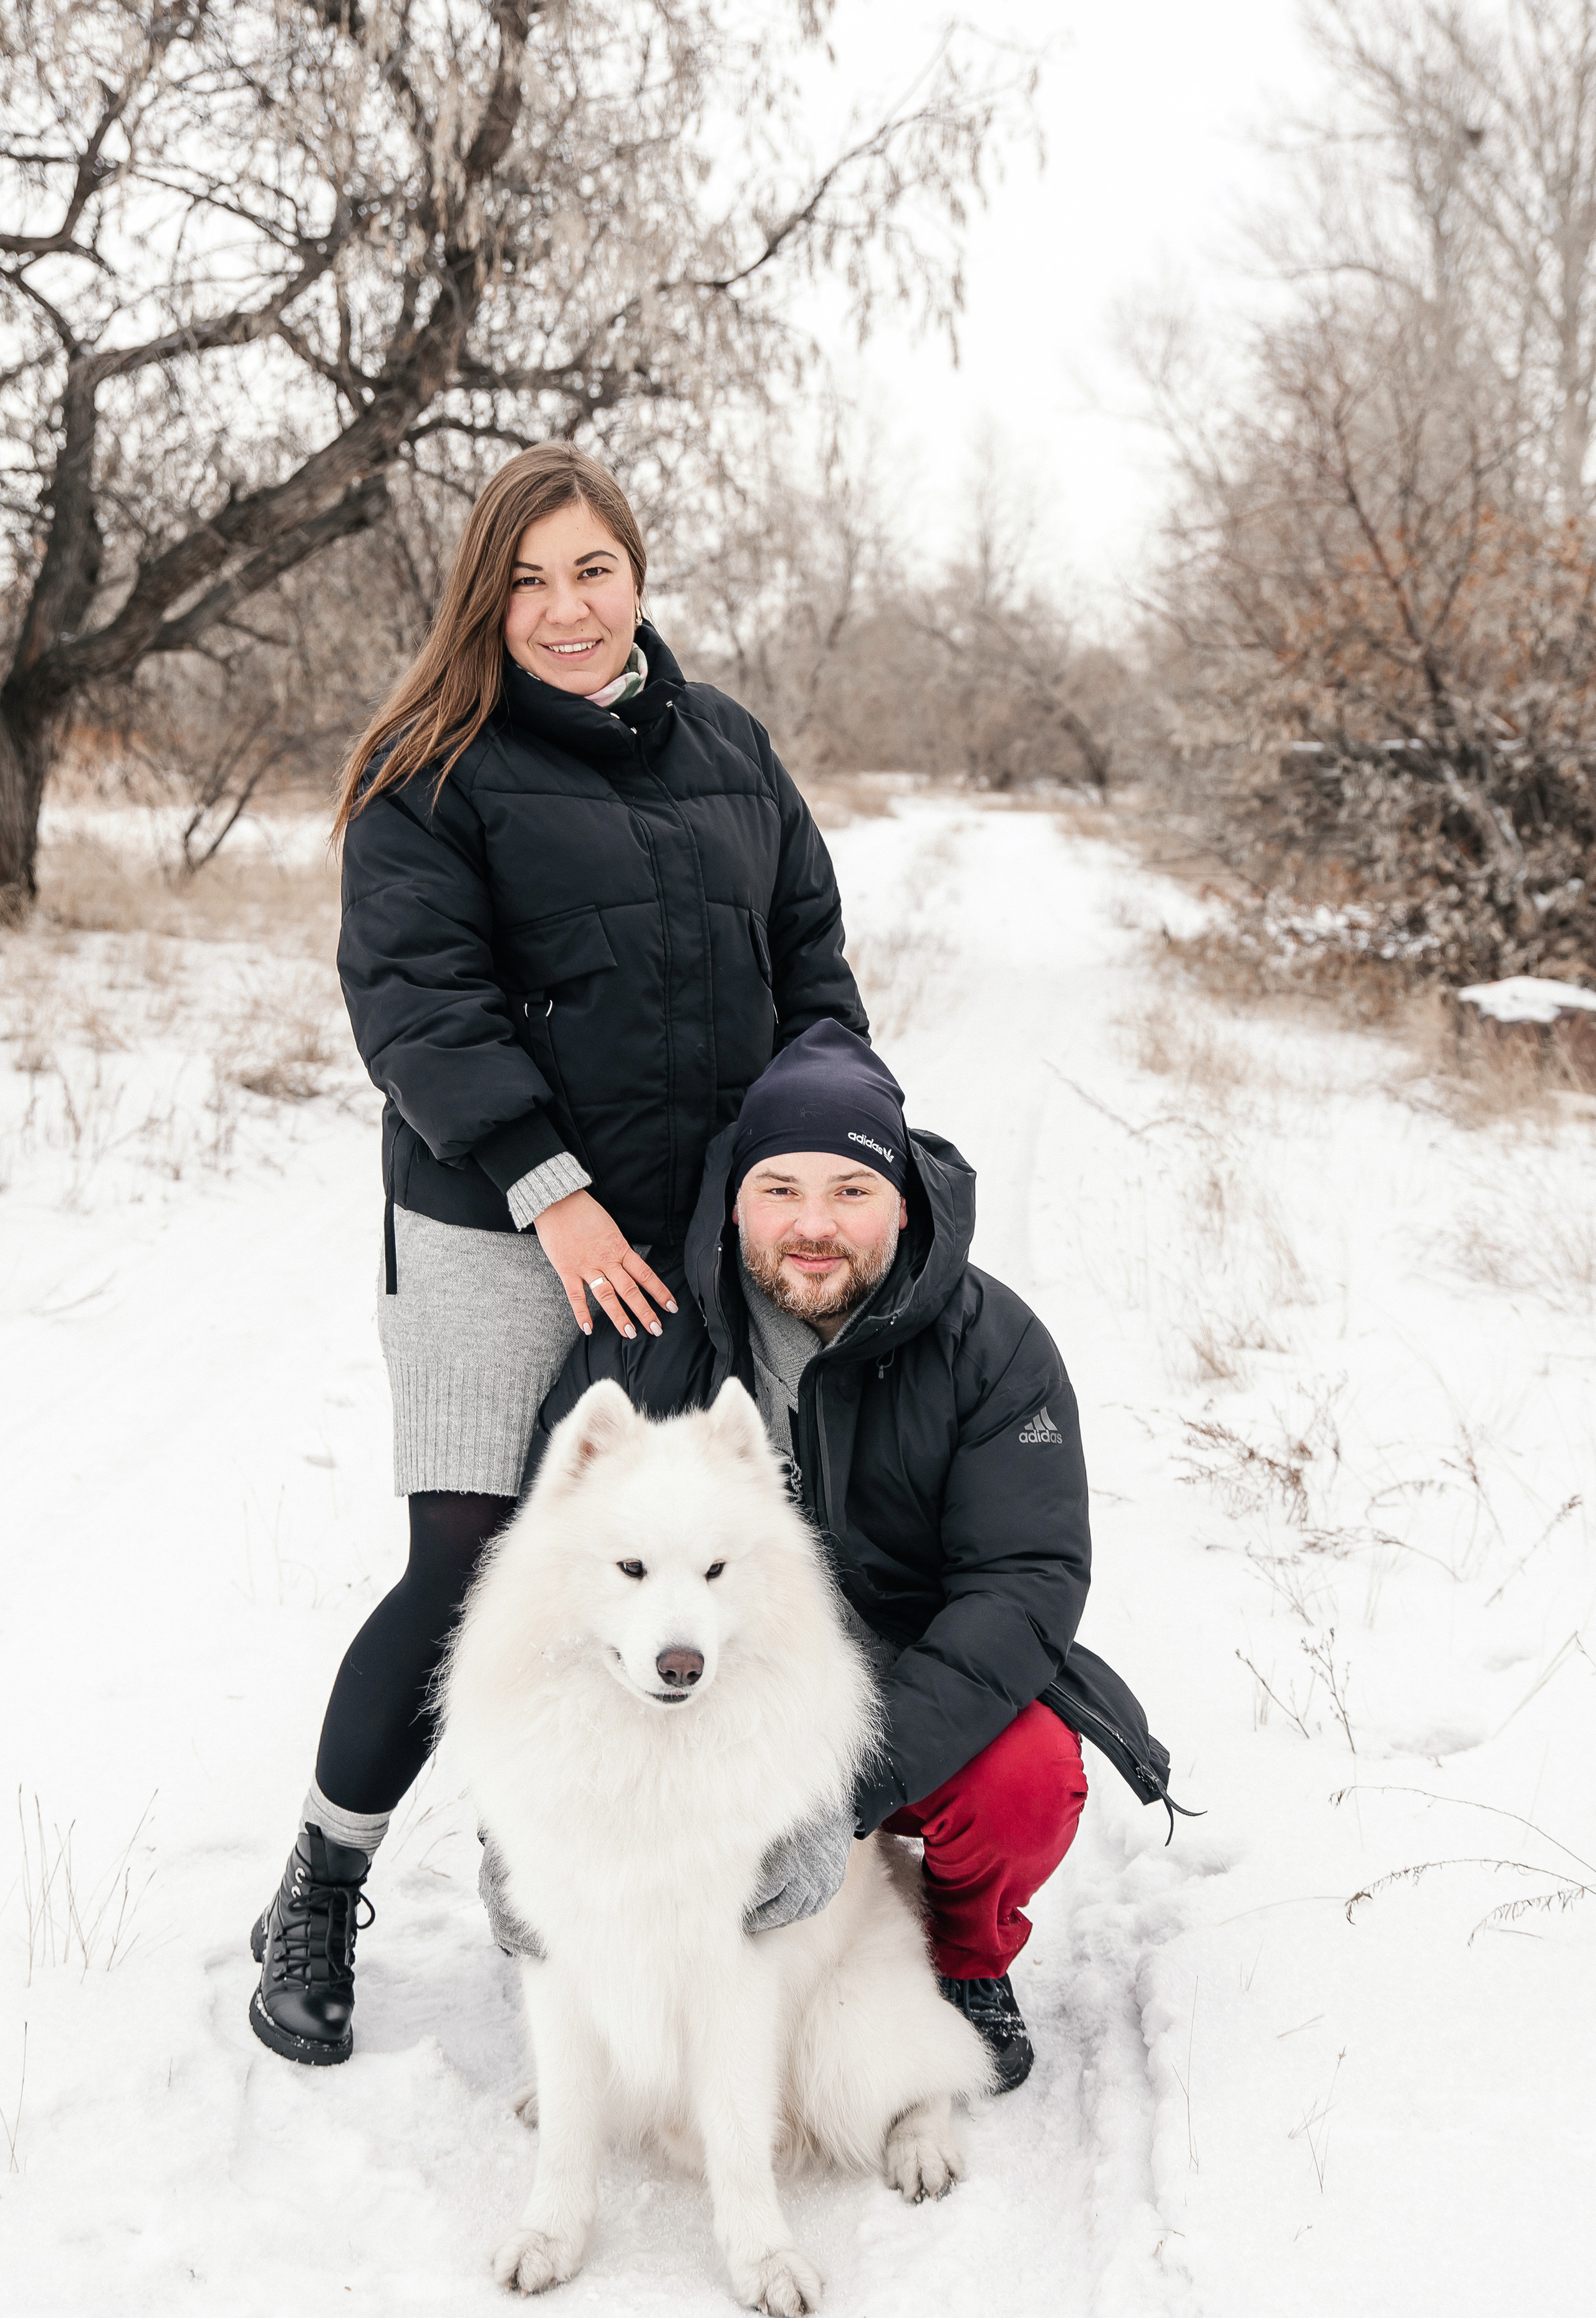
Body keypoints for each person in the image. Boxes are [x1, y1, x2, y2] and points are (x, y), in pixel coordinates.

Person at [249, 445, 867, 2066]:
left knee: (719, 1554)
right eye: (527, 580)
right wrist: (551, 1187)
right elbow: (416, 1005)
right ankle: (321, 1879)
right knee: (476, 1570)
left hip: (694, 1231)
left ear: (639, 573)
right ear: (486, 597)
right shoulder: (429, 768)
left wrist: (819, 1158)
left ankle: (676, 1885)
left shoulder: (731, 748)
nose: (566, 608)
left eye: (593, 569)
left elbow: (812, 967)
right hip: (496, 1223)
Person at [517, 1019, 1179, 2092]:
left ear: (904, 1200)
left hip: (902, 1684)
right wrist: (525, 1820)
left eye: (851, 1191)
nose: (813, 1225)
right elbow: (554, 1568)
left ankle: (965, 1962)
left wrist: (841, 1795)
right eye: (779, 1189)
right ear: (734, 1202)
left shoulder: (995, 1348)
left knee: (1027, 1780)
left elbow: (1024, 1584)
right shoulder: (649, 1339)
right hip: (707, 1684)